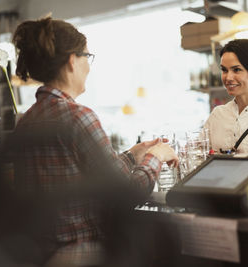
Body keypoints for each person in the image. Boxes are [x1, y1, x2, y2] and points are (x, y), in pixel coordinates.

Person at [9, 16, 178, 266]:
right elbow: (126, 194)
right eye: (87, 57)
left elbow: (91, 178)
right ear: (71, 61)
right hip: (84, 255)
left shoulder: (25, 122)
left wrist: (133, 155)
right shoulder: (79, 117)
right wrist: (157, 156)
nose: (89, 65)